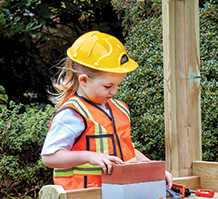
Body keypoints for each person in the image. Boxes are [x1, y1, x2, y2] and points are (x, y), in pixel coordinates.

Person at [41, 31, 172, 190]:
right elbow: (49, 157)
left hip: (119, 194)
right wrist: (89, 156)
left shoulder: (119, 108)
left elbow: (127, 151)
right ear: (84, 80)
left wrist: (153, 169)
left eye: (117, 85)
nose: (114, 91)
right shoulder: (72, 113)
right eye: (108, 86)